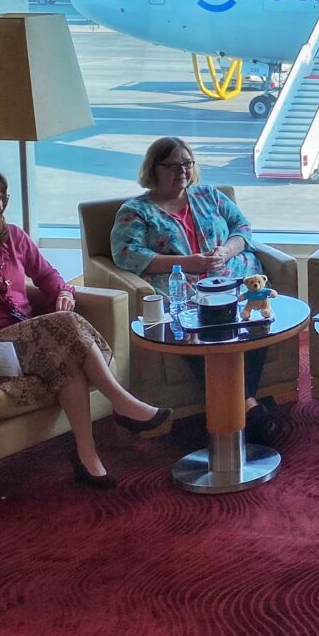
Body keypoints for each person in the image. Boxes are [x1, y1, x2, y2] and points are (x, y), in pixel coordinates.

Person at [0, 167, 170, 490]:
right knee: (63, 324)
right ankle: (122, 402)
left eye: (2, 197)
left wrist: (63, 291)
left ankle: (87, 457)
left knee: (68, 364)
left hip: (33, 337)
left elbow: (48, 275)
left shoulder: (13, 237)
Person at [111, 137, 278, 444]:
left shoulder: (208, 195)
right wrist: (185, 262)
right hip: (182, 289)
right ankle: (247, 407)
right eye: (173, 165)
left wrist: (225, 252)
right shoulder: (136, 211)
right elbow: (126, 254)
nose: (182, 171)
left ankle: (242, 404)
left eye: (187, 164)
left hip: (231, 280)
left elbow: (243, 227)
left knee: (257, 322)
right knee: (192, 333)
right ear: (154, 168)